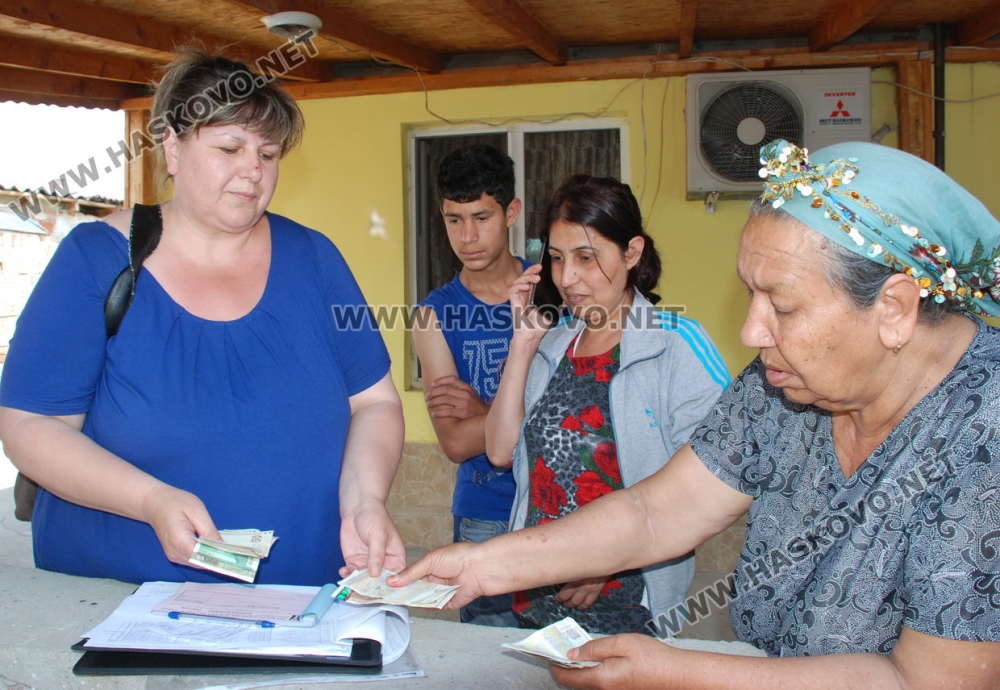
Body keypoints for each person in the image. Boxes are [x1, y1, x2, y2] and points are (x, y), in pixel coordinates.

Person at [395, 141, 1000, 689]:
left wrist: (673, 667)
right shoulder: (779, 388)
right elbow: (657, 510)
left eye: (782, 306)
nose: (750, 330)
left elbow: (925, 680)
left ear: (893, 308)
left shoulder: (983, 435)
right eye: (750, 294)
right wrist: (482, 564)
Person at [0, 47, 406, 586]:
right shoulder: (97, 260)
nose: (253, 171)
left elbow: (375, 403)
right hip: (120, 608)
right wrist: (150, 499)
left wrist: (365, 500)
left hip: (300, 605)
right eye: (230, 147)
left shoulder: (314, 259)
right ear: (171, 147)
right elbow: (30, 426)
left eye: (268, 153)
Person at [485, 175, 729, 635]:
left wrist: (605, 557)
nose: (567, 278)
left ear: (632, 253)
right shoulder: (551, 347)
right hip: (535, 601)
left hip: (630, 612)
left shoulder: (676, 345)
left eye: (586, 258)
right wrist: (522, 346)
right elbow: (500, 451)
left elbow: (707, 487)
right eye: (556, 259)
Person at [412, 144, 525, 626]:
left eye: (481, 217)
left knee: (570, 660)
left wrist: (484, 408)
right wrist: (517, 415)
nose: (468, 235)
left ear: (512, 212)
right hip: (486, 511)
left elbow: (581, 418)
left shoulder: (551, 296)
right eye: (454, 219)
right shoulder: (432, 315)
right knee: (491, 663)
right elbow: (456, 442)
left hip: (563, 504)